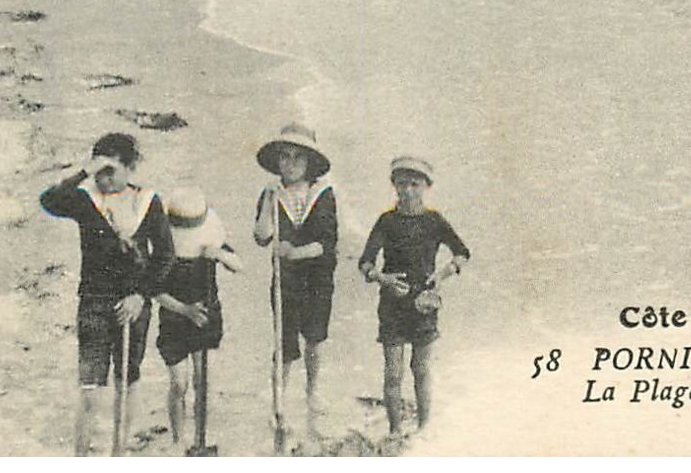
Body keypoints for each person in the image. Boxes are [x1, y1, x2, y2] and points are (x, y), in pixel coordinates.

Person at [40, 133, 175, 456]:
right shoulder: (86, 200)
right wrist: (84, 172)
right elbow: (49, 200)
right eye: (100, 171)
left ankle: (118, 453)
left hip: (134, 303)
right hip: (94, 303)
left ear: (130, 169)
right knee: (90, 389)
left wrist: (141, 296)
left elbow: (165, 255)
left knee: (127, 381)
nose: (105, 178)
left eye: (111, 170)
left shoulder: (147, 201)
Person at [357, 156, 470, 438]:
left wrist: (442, 275)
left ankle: (424, 428)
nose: (407, 190)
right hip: (392, 303)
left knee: (421, 370)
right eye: (401, 183)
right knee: (393, 373)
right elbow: (365, 263)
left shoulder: (434, 221)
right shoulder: (386, 221)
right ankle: (395, 431)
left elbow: (462, 252)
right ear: (393, 185)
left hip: (424, 303)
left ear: (426, 186)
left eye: (414, 184)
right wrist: (383, 278)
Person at [254, 123, 338, 439]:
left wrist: (293, 251)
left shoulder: (324, 195)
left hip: (317, 278)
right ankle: (279, 401)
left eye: (296, 158)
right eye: (283, 157)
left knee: (314, 338)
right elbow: (262, 236)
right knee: (284, 342)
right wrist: (267, 201)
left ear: (309, 163)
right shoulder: (271, 195)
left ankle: (313, 391)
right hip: (285, 283)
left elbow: (325, 244)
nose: (289, 164)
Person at [154, 189, 241, 448]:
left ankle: (199, 439)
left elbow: (238, 265)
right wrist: (184, 310)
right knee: (179, 383)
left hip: (206, 315)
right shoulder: (164, 251)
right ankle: (178, 440)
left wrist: (220, 255)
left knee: (202, 383)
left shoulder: (210, 242)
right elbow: (154, 290)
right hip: (174, 319)